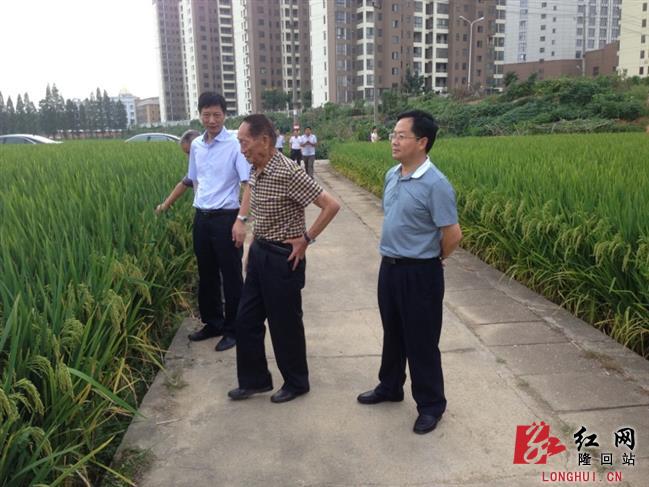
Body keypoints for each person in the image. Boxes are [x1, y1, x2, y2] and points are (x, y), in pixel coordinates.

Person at [357, 110, 462, 435]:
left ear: (422, 142)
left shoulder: (436, 184)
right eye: (393, 134)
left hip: (420, 273)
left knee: (421, 340)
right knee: (393, 332)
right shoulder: (392, 174)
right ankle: (390, 386)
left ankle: (431, 405)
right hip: (389, 268)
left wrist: (434, 258)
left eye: (401, 135)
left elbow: (452, 234)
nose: (394, 140)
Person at [227, 114, 340, 403]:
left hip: (283, 258)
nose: (242, 149)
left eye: (244, 142)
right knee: (246, 320)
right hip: (260, 251)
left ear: (264, 140)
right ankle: (255, 380)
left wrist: (306, 239)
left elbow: (330, 205)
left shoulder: (289, 172)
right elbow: (251, 193)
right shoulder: (256, 165)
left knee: (284, 324)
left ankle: (297, 382)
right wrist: (249, 236)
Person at [163, 92, 250, 352]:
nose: (212, 120)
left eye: (217, 115)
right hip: (201, 217)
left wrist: (241, 220)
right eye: (207, 114)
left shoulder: (235, 144)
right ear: (199, 115)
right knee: (207, 273)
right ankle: (213, 323)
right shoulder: (197, 146)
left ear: (225, 115)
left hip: (226, 217)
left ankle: (234, 329)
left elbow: (248, 184)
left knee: (231, 276)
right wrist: (166, 204)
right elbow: (192, 179)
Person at [155, 129, 201, 214]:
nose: (189, 157)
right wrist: (165, 205)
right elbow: (184, 184)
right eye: (187, 154)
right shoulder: (197, 166)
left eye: (190, 153)